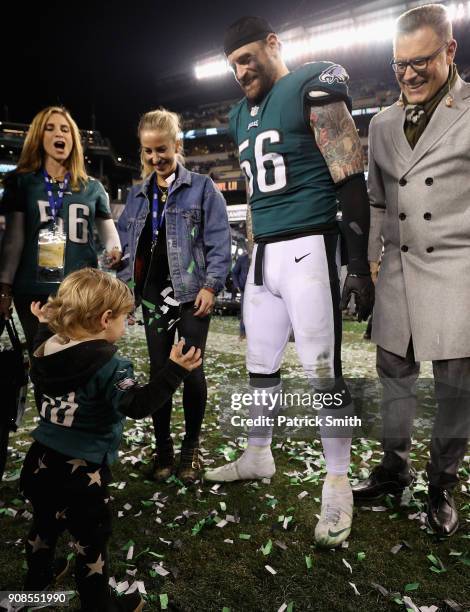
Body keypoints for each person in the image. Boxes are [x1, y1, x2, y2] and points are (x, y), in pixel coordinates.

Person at [205, 16, 374, 549]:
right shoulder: (238, 116)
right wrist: (253, 262)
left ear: (274, 45)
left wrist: (357, 264)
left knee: (322, 372)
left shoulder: (310, 86)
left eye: (248, 56)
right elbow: (257, 194)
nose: (240, 69)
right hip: (265, 256)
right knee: (260, 365)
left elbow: (349, 177)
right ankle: (258, 455)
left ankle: (339, 482)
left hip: (309, 245)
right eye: (233, 63)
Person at [352, 4, 470, 538]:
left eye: (421, 61)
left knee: (455, 391)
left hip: (459, 272)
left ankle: (443, 484)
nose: (409, 74)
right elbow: (377, 202)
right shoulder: (380, 124)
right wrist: (370, 267)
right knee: (393, 383)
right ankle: (392, 470)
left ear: (449, 51)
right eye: (399, 64)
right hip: (398, 272)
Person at [20, 268, 201, 611]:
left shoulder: (45, 347)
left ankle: (37, 581)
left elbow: (38, 340)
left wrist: (44, 322)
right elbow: (138, 404)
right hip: (82, 473)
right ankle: (98, 604)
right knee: (91, 544)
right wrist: (175, 369)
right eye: (124, 318)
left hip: (40, 461)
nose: (125, 324)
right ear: (105, 319)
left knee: (43, 525)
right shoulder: (110, 365)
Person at [117, 108, 231, 485]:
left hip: (190, 295)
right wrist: (123, 285)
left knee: (191, 371)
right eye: (147, 152)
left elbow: (219, 242)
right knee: (160, 372)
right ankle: (163, 449)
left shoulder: (202, 187)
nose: (154, 159)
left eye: (161, 150)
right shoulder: (137, 196)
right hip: (151, 297)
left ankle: (190, 449)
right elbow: (122, 250)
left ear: (176, 146)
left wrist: (211, 285)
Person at [0, 106, 122, 354]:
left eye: (65, 129)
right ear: (39, 137)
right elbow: (13, 240)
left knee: (78, 360)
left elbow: (109, 235)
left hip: (80, 292)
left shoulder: (93, 187)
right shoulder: (22, 182)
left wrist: (115, 250)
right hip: (33, 289)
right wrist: (4, 288)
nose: (60, 134)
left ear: (73, 139)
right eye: (51, 127)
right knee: (41, 360)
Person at [231, 251, 249, 339]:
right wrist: (237, 286)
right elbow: (234, 272)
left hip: (258, 290)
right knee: (244, 312)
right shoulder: (242, 258)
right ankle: (243, 334)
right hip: (245, 290)